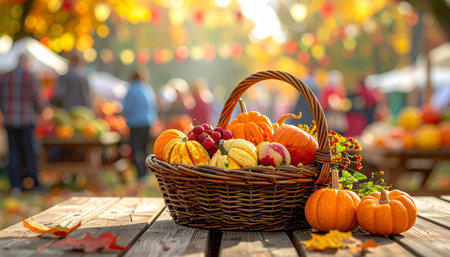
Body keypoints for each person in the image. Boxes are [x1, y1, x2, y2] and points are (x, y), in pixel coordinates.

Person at [0, 54, 47, 193]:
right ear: (26, 63)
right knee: (29, 152)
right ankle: (35, 184)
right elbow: (37, 98)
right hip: (26, 119)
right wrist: (42, 109)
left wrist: (5, 112)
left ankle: (15, 185)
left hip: (10, 119)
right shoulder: (29, 76)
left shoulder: (5, 77)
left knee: (13, 152)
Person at [122, 68, 158, 179]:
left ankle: (141, 175)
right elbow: (153, 106)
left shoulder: (132, 89)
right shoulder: (147, 89)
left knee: (137, 150)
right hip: (148, 122)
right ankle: (147, 173)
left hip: (135, 123)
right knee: (145, 149)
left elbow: (126, 108)